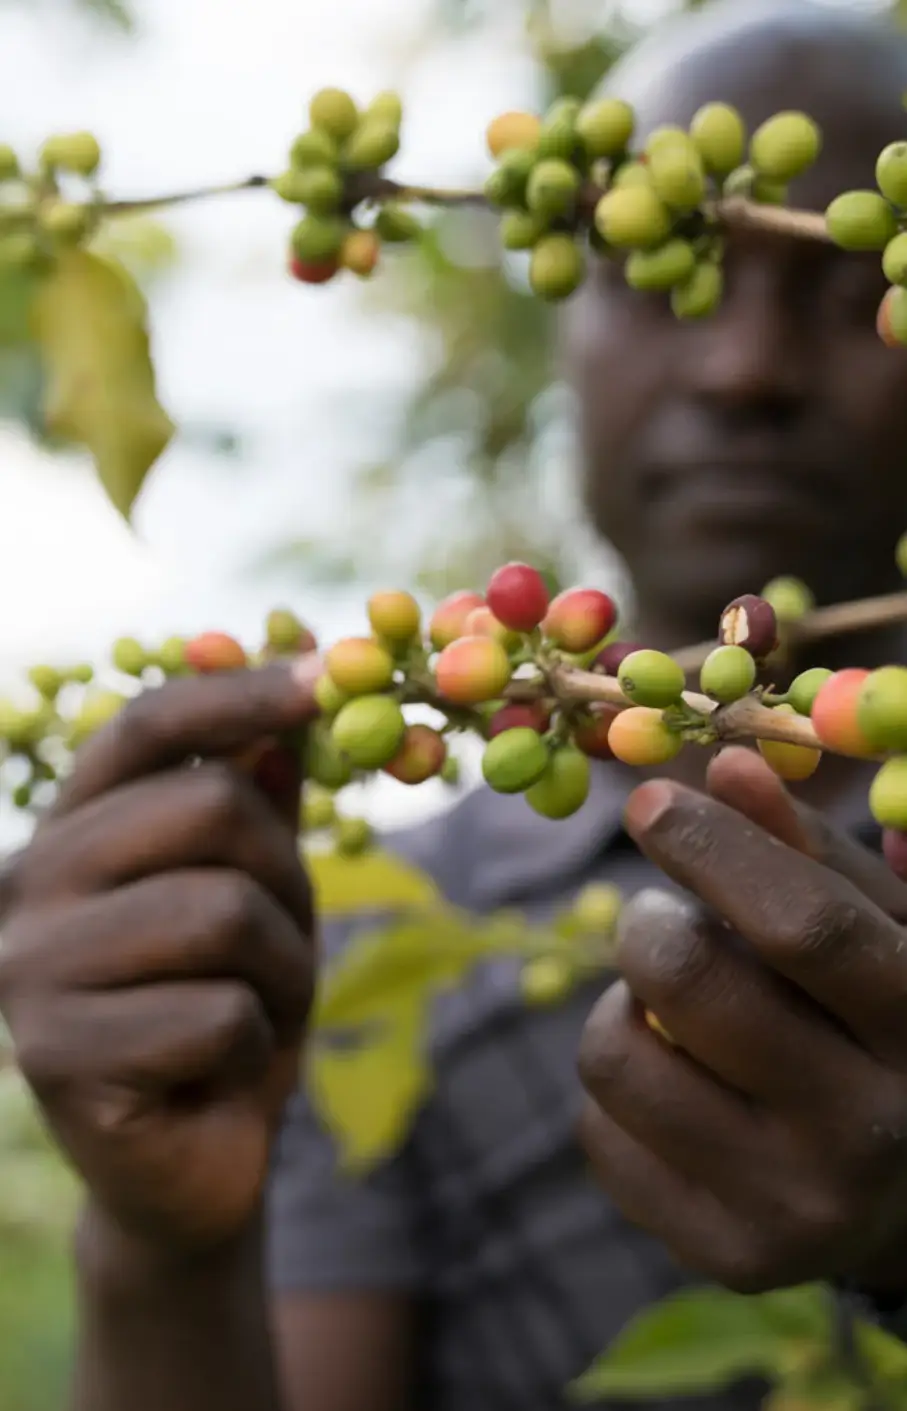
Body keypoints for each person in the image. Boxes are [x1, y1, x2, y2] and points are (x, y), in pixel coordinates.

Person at [5, 1, 907, 1408]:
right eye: (663, 269)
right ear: (563, 327)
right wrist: (163, 1248)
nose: (742, 369)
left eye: (844, 282)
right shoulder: (346, 940)